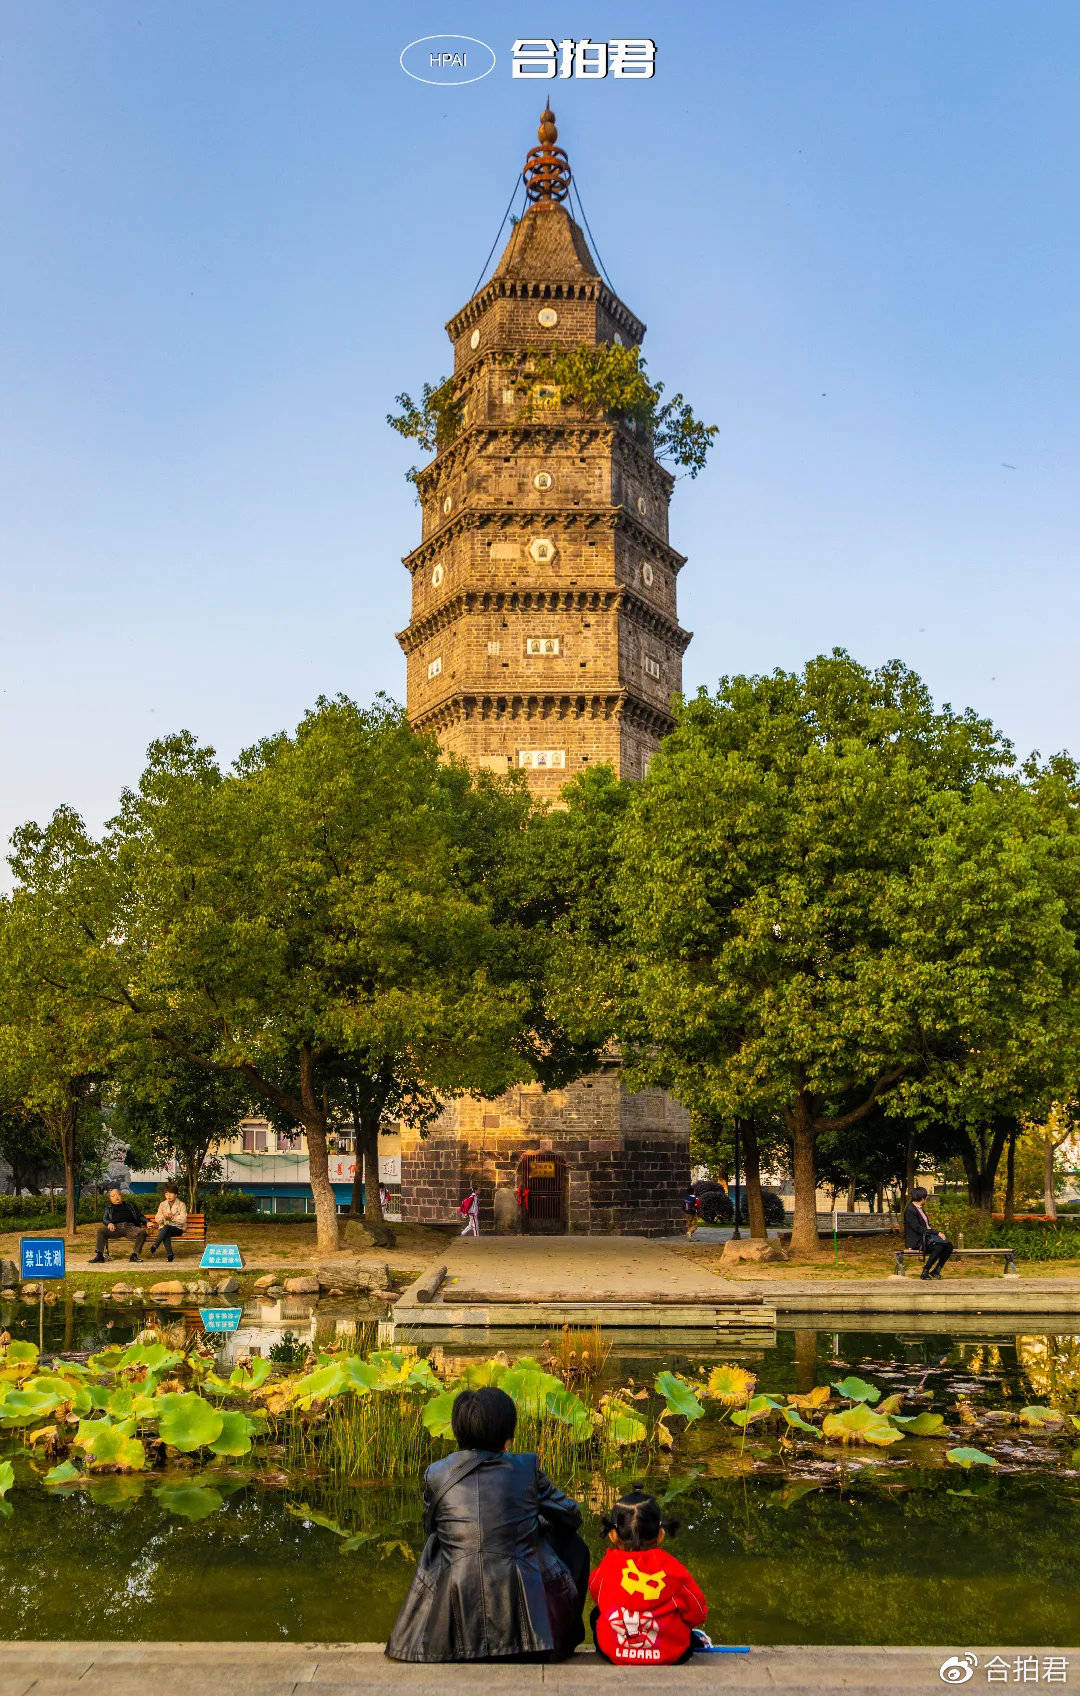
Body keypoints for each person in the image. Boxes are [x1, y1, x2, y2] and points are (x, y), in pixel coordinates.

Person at [386, 1385, 589, 1663]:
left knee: (438, 1543)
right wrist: (536, 1522)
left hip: (455, 1622)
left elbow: (430, 1526)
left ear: (457, 1433)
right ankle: (557, 1634)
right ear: (508, 1438)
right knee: (573, 1544)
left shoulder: (436, 1474)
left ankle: (446, 1635)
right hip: (530, 1636)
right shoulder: (526, 1469)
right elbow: (571, 1517)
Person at [589, 1489, 708, 1665]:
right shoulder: (674, 1571)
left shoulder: (605, 1569)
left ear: (612, 1535)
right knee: (683, 1617)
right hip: (671, 1656)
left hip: (614, 1654)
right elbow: (698, 1613)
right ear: (660, 1535)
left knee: (595, 1614)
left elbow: (595, 1592)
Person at [904, 1185, 954, 1280]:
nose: (926, 1199)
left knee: (949, 1246)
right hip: (917, 1241)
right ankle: (925, 1271)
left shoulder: (920, 1208)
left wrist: (937, 1234)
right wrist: (936, 1233)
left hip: (926, 1238)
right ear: (922, 1198)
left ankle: (936, 1271)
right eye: (926, 1198)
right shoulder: (910, 1210)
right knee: (939, 1246)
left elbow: (926, 1227)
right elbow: (917, 1228)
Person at [89, 1188, 148, 1263]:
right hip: (115, 1228)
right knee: (101, 1231)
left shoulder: (130, 1206)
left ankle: (134, 1255)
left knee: (142, 1232)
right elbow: (105, 1219)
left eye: (118, 1194)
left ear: (121, 1196)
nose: (116, 1197)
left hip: (130, 1227)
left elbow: (139, 1216)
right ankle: (99, 1256)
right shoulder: (109, 1208)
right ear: (110, 1199)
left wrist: (147, 1222)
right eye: (113, 1196)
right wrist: (109, 1223)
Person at [148, 1183, 188, 1262]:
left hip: (177, 1228)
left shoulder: (181, 1204)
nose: (168, 1196)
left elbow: (183, 1219)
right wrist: (164, 1217)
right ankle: (170, 1255)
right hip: (165, 1228)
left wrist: (172, 1217)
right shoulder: (162, 1204)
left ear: (176, 1195)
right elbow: (157, 1218)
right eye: (166, 1194)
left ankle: (156, 1245)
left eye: (171, 1194)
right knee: (166, 1230)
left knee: (165, 1228)